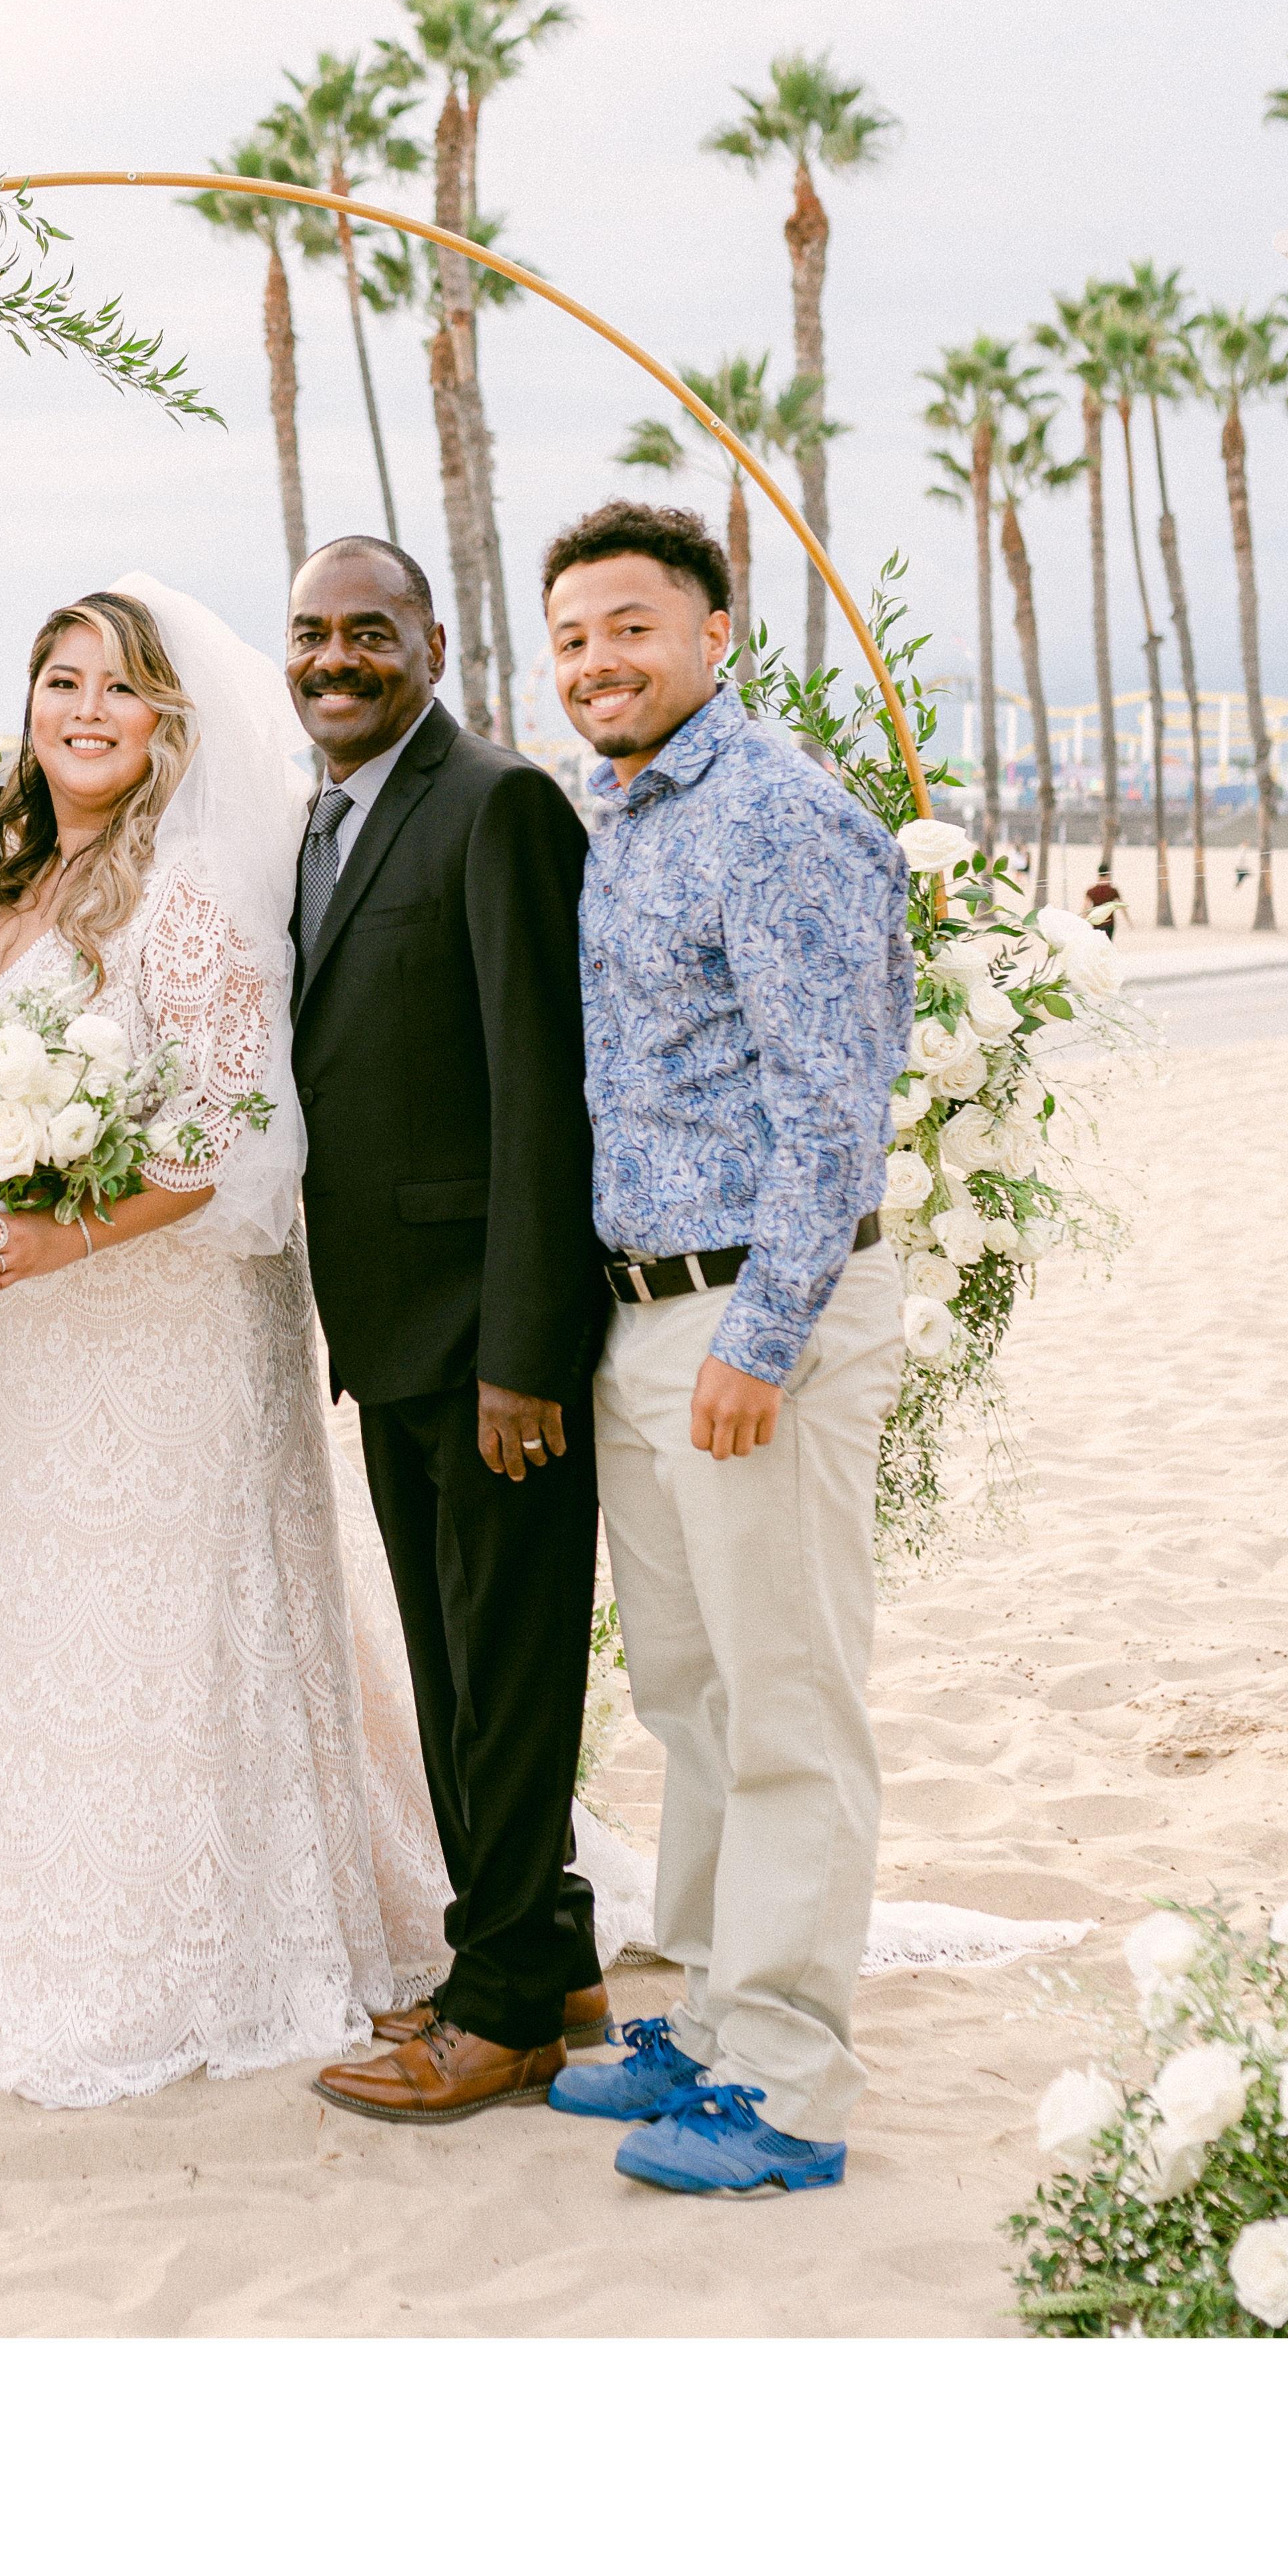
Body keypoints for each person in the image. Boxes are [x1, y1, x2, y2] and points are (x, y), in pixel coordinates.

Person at [0, 582, 446, 2105]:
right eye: (61, 681)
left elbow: (227, 1138)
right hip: (36, 1342)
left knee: (176, 1623)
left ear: (169, 721)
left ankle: (210, 1951)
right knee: (51, 1621)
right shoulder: (1, 887)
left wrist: (58, 1235)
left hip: (172, 1326)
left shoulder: (189, 895)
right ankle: (61, 1941)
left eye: (119, 687)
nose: (86, 710)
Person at [533, 498, 912, 2202]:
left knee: (787, 1707)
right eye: (572, 638)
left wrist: (760, 1339)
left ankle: (791, 2088)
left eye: (631, 626)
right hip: (643, 1313)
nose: (598, 661)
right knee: (688, 1697)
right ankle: (700, 2023)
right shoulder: (623, 815)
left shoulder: (777, 815)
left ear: (715, 635)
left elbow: (835, 1104)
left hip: (757, 1319)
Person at [279, 536, 616, 2130]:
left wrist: (525, 1355)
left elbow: (544, 1089)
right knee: (456, 1675)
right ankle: (545, 1952)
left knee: (510, 1675)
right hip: (388, 1334)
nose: (335, 659)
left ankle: (501, 2019)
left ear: (431, 645)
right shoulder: (325, 824)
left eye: (370, 632)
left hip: (490, 1344)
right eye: (311, 633)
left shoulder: (497, 804)